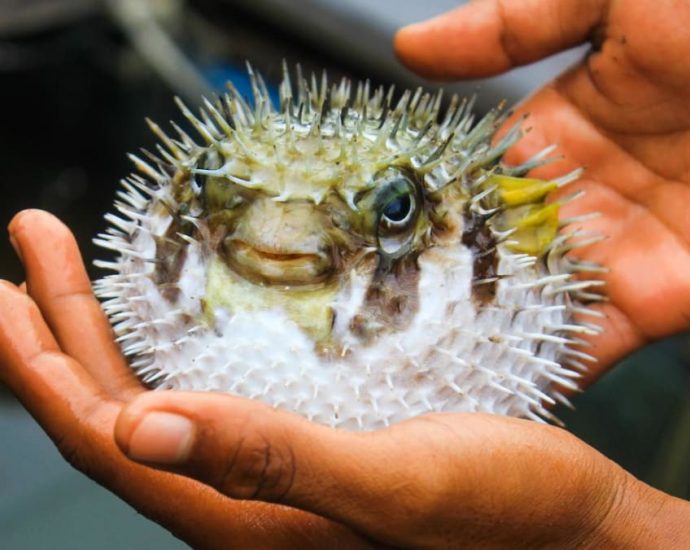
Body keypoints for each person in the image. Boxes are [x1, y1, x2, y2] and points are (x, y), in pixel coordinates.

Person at [2, 0, 690, 547]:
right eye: (218, 196)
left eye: (393, 212)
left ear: (479, 241)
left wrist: (603, 528)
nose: (279, 241)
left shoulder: (506, 258)